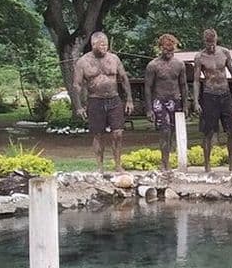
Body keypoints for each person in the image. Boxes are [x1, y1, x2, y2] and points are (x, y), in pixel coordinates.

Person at [72, 31, 134, 173]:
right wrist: (79, 106)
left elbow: (124, 78)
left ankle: (118, 165)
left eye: (106, 44)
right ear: (93, 44)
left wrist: (129, 99)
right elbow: (77, 85)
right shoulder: (83, 62)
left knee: (118, 133)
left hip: (114, 99)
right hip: (95, 100)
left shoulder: (114, 59)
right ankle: (100, 167)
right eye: (101, 45)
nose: (104, 47)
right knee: (98, 134)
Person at [193, 28, 232, 172]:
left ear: (216, 40)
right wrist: (195, 101)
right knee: (208, 132)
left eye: (213, 43)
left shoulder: (224, 52)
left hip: (225, 93)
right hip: (209, 94)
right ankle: (207, 165)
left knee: (231, 130)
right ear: (204, 42)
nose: (211, 46)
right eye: (208, 43)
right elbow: (196, 80)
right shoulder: (199, 57)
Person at [144, 33, 189, 172]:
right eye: (166, 50)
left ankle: (171, 160)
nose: (169, 53)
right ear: (160, 48)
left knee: (174, 132)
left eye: (171, 50)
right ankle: (165, 163)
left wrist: (186, 106)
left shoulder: (179, 64)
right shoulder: (153, 65)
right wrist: (149, 109)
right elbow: (148, 87)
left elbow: (183, 85)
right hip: (160, 101)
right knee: (165, 131)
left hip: (175, 100)